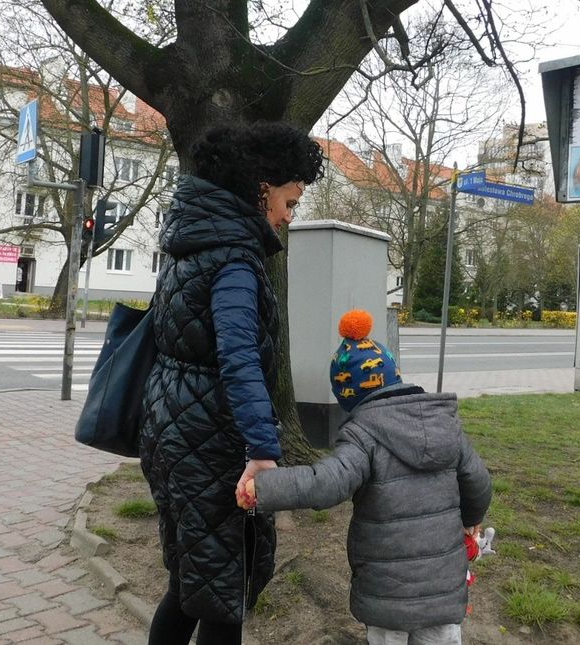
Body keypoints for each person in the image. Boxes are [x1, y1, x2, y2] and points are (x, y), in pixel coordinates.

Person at [139, 122, 324, 645]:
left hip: (172, 427)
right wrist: (262, 450)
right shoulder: (236, 259)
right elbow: (239, 358)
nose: (288, 217)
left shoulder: (191, 243)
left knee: (191, 580)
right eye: (289, 202)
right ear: (263, 188)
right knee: (221, 596)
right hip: (209, 439)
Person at [239, 310, 493, 645]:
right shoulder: (445, 424)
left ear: (347, 397)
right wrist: (472, 518)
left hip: (387, 592)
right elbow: (478, 482)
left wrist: (264, 486)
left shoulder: (362, 435)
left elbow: (325, 483)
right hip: (443, 588)